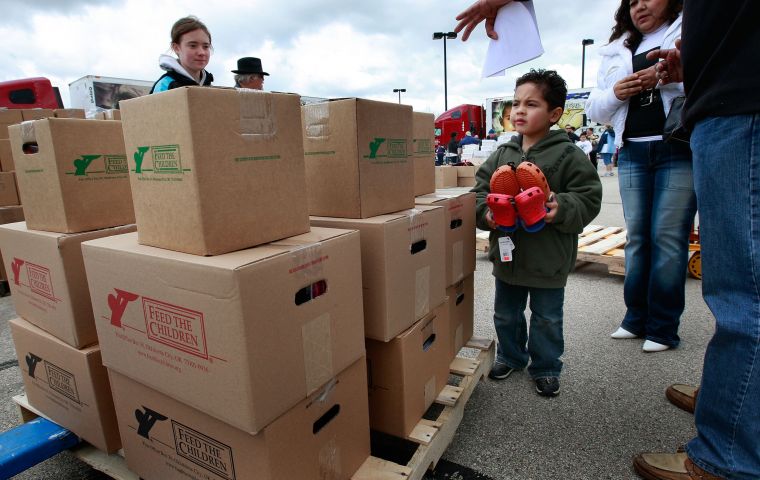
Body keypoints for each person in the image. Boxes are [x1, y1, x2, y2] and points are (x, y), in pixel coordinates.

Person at [632, 1, 760, 478]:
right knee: (740, 281)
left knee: (743, 291)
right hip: (730, 93)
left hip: (743, 103)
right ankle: (735, 404)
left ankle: (729, 456)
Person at [472, 69, 602, 397]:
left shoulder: (569, 154)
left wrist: (561, 206)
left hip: (549, 256)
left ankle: (545, 365)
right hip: (509, 254)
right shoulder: (502, 154)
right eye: (515, 103)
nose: (518, 110)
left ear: (555, 114)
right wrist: (487, 214)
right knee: (506, 312)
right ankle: (511, 355)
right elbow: (478, 191)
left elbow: (590, 195)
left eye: (531, 104)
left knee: (546, 317)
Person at [585, 0, 695, 353]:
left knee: (667, 237)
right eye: (632, 1)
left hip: (678, 147)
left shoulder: (687, 29)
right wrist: (617, 92)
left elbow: (711, 81)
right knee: (637, 238)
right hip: (631, 149)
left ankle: (662, 328)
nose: (640, 6)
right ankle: (635, 318)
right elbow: (594, 107)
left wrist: (666, 79)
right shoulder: (616, 49)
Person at [150, 16, 214, 94]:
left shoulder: (211, 86)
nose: (201, 52)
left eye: (206, 46)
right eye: (193, 46)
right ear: (176, 48)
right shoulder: (165, 86)